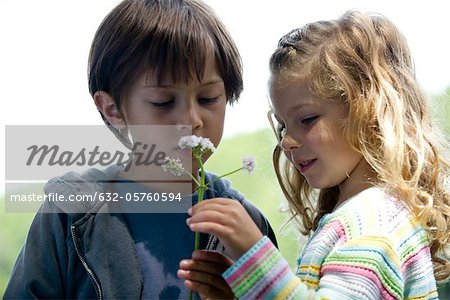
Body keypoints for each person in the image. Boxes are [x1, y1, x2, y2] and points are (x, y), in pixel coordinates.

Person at [4, 0, 277, 299]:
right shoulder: (71, 213)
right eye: (163, 102)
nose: (191, 120)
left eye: (209, 98)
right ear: (111, 109)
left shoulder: (245, 225)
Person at [179, 11, 450, 299]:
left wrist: (257, 260)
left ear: (366, 110)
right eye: (282, 125)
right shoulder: (375, 213)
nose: (286, 142)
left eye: (307, 119)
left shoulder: (370, 222)